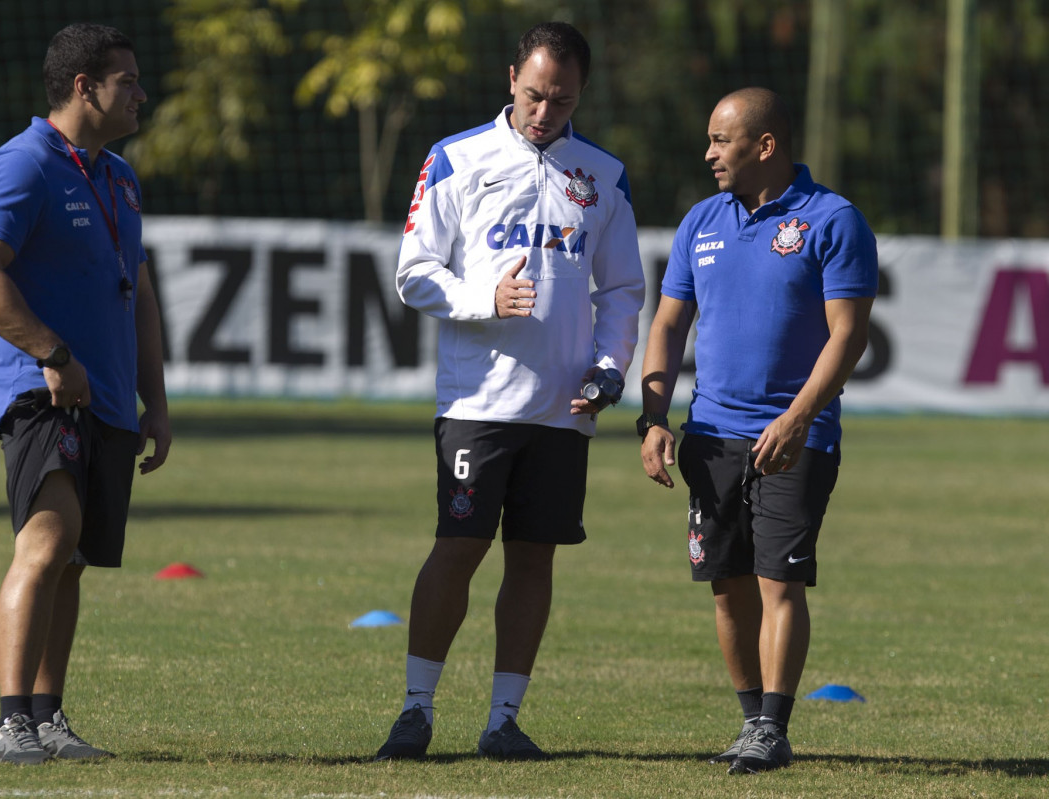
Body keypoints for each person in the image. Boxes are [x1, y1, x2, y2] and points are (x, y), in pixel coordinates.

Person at [375, 21, 645, 762]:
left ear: (580, 94)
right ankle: (415, 709)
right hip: (478, 403)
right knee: (457, 546)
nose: (544, 111)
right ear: (510, 79)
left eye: (561, 99)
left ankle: (503, 718)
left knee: (534, 558)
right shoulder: (455, 159)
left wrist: (609, 366)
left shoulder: (604, 174)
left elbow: (622, 287)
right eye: (533, 94)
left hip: (563, 409)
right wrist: (481, 298)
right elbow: (413, 271)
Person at [637, 87, 877, 774]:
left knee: (779, 582)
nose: (709, 153)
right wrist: (654, 420)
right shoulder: (700, 223)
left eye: (721, 139)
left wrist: (798, 418)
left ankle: (773, 726)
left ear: (764, 145)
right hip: (710, 436)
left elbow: (849, 335)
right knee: (726, 584)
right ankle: (750, 722)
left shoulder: (833, 220)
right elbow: (666, 325)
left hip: (795, 439)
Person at [0, 23, 170, 765]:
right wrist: (51, 353)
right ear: (86, 88)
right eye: (128, 80)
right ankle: (11, 721)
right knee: (46, 542)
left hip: (105, 399)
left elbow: (137, 290)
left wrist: (157, 402)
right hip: (42, 394)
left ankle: (47, 719)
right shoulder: (21, 165)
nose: (142, 93)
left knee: (71, 556)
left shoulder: (117, 175)